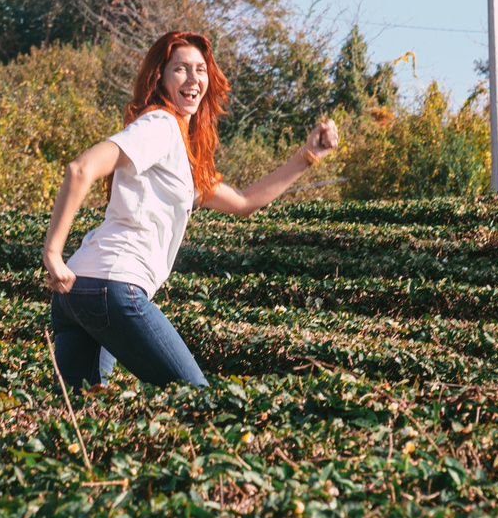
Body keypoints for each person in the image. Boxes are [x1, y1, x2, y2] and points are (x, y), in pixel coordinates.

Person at [39, 30, 339, 391]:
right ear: (160, 78)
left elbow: (244, 203)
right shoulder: (159, 126)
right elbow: (81, 169)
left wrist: (307, 157)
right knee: (196, 398)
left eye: (200, 69)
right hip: (113, 286)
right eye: (181, 69)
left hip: (74, 293)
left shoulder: (179, 153)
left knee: (80, 415)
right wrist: (52, 252)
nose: (194, 79)